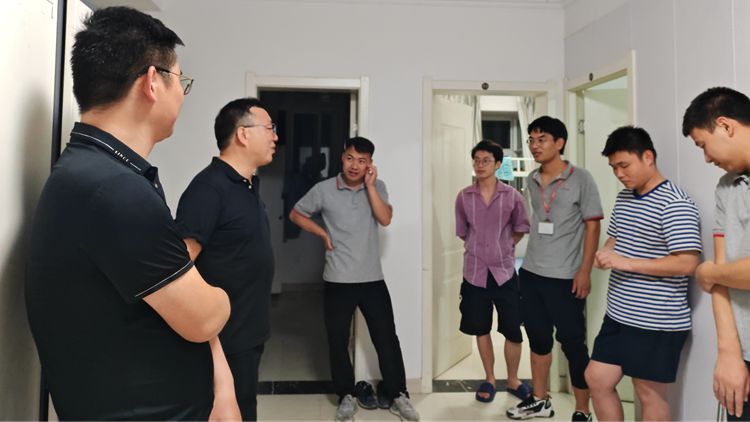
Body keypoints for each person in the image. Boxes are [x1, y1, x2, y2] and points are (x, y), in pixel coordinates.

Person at [25, 6, 234, 420]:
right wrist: (224, 297)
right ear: (152, 82)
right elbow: (204, 317)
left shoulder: (95, 170)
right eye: (181, 81)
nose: (182, 95)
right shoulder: (114, 190)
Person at [289, 137, 419, 422]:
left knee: (386, 338)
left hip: (372, 279)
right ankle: (346, 395)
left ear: (370, 164)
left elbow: (385, 219)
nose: (354, 165)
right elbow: (296, 214)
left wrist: (370, 186)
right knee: (337, 341)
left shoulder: (377, 187)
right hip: (338, 279)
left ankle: (398, 394)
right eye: (350, 158)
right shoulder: (324, 189)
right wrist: (322, 233)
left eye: (362, 161)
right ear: (342, 157)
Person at [586, 126, 702, 421]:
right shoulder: (625, 198)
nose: (619, 174)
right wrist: (605, 254)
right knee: (597, 379)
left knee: (649, 393)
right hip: (619, 314)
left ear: (648, 157)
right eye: (614, 168)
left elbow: (687, 263)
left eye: (624, 165)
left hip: (656, 319)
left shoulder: (675, 203)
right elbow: (616, 240)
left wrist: (626, 263)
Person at [175, 97, 278, 420]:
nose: (275, 136)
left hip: (248, 333)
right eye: (269, 128)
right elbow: (178, 269)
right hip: (222, 341)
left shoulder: (247, 185)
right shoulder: (208, 189)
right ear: (243, 134)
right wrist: (210, 336)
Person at [507, 116, 602, 422]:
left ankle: (582, 409)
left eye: (542, 139)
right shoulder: (532, 179)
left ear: (559, 143)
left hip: (565, 278)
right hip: (531, 274)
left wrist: (584, 271)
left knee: (573, 344)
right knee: (538, 339)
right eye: (531, 140)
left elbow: (592, 226)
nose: (535, 146)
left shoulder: (581, 179)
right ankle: (540, 401)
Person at [683, 87, 750, 421]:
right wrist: (728, 353)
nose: (707, 159)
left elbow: (715, 273)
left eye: (702, 145)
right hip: (741, 352)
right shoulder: (727, 186)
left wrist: (708, 272)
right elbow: (723, 275)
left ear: (725, 125)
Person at [455, 140, 531, 404]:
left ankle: (513, 379)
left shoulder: (512, 196)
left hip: (504, 273)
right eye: (476, 160)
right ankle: (489, 378)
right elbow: (463, 232)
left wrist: (504, 246)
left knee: (512, 330)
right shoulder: (464, 197)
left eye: (486, 160)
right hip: (474, 273)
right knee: (481, 328)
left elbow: (520, 228)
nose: (480, 165)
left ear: (498, 164)